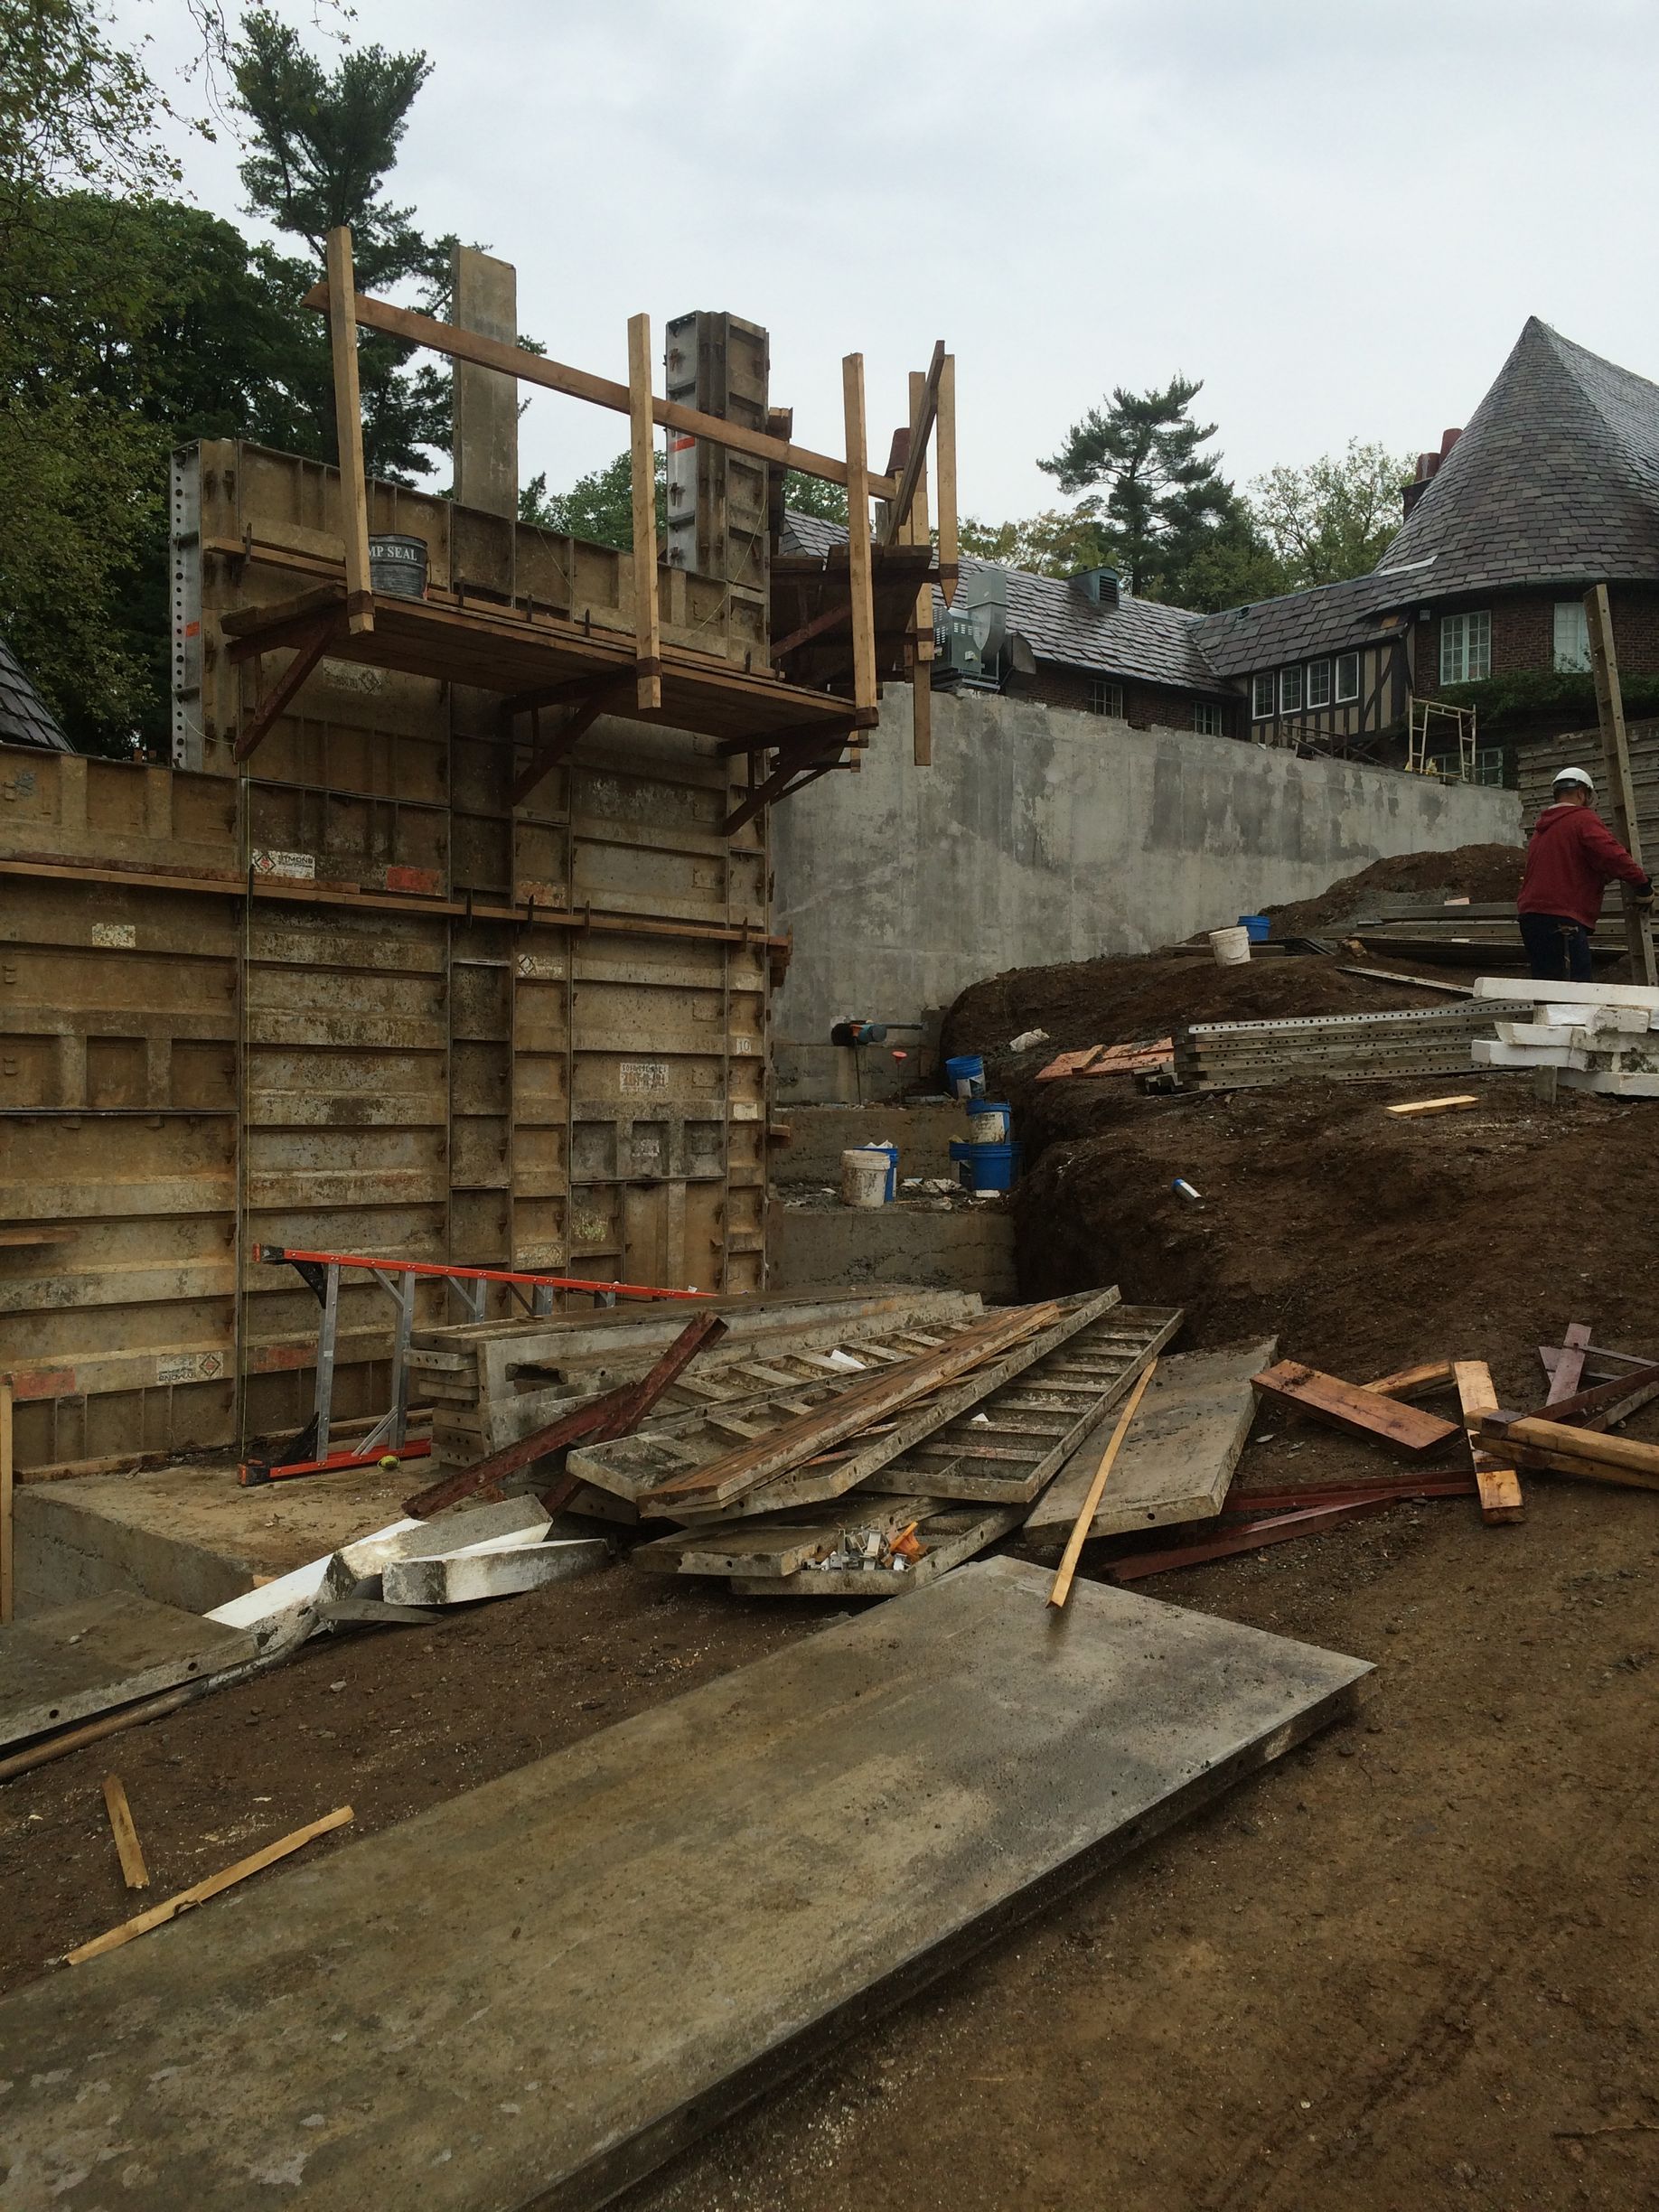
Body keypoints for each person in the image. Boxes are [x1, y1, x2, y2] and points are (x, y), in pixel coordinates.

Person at [1516, 766, 1654, 980]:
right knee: (1575, 991)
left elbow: (1571, 865)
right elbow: (1612, 854)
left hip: (1531, 918)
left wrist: (1600, 876)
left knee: (1548, 988)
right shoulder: (1581, 818)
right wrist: (1642, 884)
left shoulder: (1543, 829)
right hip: (1562, 920)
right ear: (1582, 793)